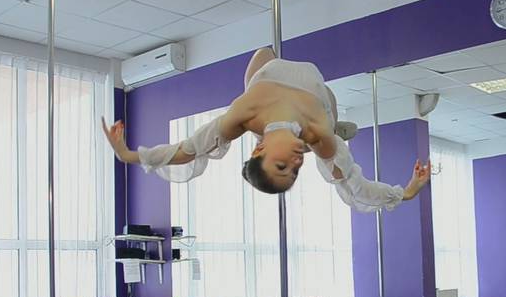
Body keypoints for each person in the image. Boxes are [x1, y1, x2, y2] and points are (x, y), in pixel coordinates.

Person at [101, 48, 431, 213]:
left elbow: (187, 150)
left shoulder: (241, 116)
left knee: (262, 55)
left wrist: (129, 154)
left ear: (258, 149)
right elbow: (357, 188)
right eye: (294, 172)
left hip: (267, 79)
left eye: (282, 166)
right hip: (320, 104)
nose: (296, 164)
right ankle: (341, 128)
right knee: (332, 147)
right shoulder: (320, 138)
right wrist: (406, 191)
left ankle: (300, 127)